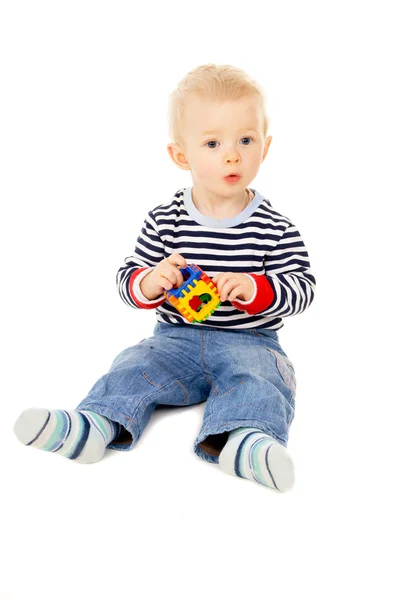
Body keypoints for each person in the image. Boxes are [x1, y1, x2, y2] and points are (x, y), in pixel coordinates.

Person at [13, 63, 316, 493]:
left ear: (264, 148)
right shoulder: (165, 220)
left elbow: (303, 286)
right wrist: (150, 280)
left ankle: (246, 441)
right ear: (181, 155)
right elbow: (127, 277)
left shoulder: (275, 226)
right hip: (175, 339)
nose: (232, 154)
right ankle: (94, 424)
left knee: (262, 379)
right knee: (134, 365)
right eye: (212, 143)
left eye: (245, 140)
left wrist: (257, 288)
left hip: (251, 341)